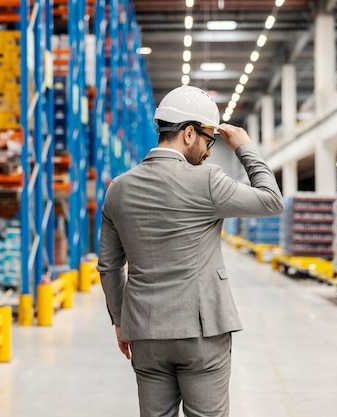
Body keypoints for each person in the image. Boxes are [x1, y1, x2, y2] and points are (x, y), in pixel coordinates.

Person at [97, 85, 284, 417]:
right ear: (187, 133)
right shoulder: (208, 181)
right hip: (201, 331)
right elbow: (271, 200)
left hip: (144, 331)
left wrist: (120, 320)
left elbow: (110, 267)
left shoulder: (118, 189)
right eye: (207, 140)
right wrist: (244, 149)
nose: (209, 152)